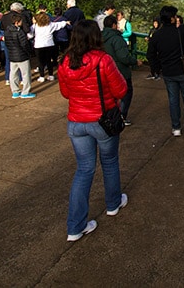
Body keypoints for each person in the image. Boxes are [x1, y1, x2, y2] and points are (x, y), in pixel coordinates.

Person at [58, 19, 128, 243]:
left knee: (84, 170)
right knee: (109, 162)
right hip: (102, 120)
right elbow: (121, 89)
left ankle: (75, 227)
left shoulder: (65, 62)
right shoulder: (103, 60)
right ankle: (113, 204)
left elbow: (66, 93)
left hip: (77, 122)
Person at [146, 0, 184, 136]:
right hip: (183, 72)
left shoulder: (157, 36)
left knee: (173, 100)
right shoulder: (180, 32)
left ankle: (176, 128)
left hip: (167, 72)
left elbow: (151, 55)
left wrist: (156, 69)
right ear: (172, 18)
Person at [102, 15, 139, 125]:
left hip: (104, 70)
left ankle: (109, 115)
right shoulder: (117, 39)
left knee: (109, 94)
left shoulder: (99, 37)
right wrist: (134, 61)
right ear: (114, 25)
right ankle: (121, 116)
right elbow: (123, 57)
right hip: (120, 71)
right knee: (126, 93)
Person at [3, 13, 35, 99]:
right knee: (26, 74)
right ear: (17, 22)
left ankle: (15, 91)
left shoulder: (7, 31)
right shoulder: (19, 32)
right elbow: (24, 44)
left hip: (12, 55)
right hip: (22, 55)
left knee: (13, 74)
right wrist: (29, 52)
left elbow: (6, 43)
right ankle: (25, 92)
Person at [31, 12, 69, 82]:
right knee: (48, 61)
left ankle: (42, 76)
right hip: (49, 45)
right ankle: (51, 75)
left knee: (40, 62)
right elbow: (59, 25)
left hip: (39, 45)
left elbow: (30, 34)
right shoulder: (50, 25)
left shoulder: (35, 26)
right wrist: (65, 22)